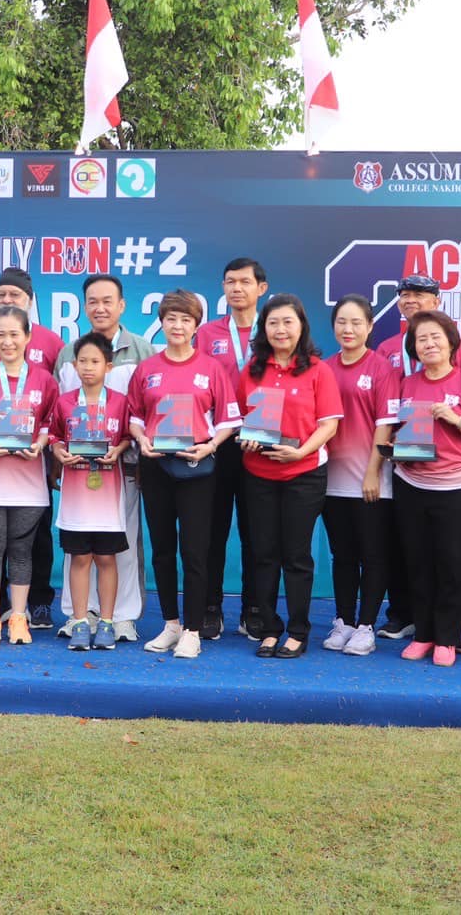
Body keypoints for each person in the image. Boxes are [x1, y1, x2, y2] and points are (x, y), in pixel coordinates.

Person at [128, 290, 243, 659]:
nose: (177, 326)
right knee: (162, 550)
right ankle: (171, 624)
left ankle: (193, 630)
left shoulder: (211, 368)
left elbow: (229, 420)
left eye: (185, 320)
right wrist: (141, 439)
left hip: (197, 467)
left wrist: (211, 446)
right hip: (156, 466)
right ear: (161, 323)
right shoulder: (147, 368)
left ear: (196, 326)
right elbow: (135, 417)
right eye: (171, 319)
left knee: (195, 551)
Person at [387, 310, 461, 666]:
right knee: (418, 562)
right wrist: (396, 446)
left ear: (451, 343)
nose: (429, 344)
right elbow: (395, 430)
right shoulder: (406, 384)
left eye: (436, 337)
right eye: (421, 339)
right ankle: (423, 634)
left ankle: (447, 638)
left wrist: (457, 419)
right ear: (414, 348)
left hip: (459, 488)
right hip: (411, 484)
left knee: (453, 564)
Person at [238, 294, 342, 659]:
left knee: (296, 556)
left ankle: (298, 631)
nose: (280, 329)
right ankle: (269, 628)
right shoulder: (252, 370)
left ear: (301, 327)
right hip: (258, 474)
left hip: (304, 473)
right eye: (273, 323)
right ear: (263, 328)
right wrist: (247, 438)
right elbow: (241, 418)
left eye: (288, 322)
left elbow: (328, 425)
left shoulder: (318, 370)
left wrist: (300, 452)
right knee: (264, 554)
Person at [54, 274, 155, 643]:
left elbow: (149, 411)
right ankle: (80, 615)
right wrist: (58, 459)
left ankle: (122, 617)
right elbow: (58, 415)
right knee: (78, 548)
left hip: (122, 467)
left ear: (122, 305)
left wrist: (137, 457)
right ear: (84, 306)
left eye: (107, 300)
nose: (100, 308)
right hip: (77, 471)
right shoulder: (69, 353)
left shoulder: (142, 351)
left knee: (121, 544)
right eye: (93, 301)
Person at [0, 267, 65, 628]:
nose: (8, 300)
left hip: (32, 461)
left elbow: (57, 409)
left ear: (30, 300)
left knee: (34, 538)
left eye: (15, 295)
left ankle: (36, 603)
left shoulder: (51, 343)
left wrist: (45, 448)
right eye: (1, 295)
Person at [320, 294, 401, 657]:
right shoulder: (324, 368)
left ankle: (367, 625)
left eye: (356, 322)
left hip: (371, 482)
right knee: (343, 555)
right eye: (342, 322)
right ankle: (344, 621)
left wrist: (372, 473)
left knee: (373, 555)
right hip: (330, 480)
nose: (348, 329)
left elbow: (385, 425)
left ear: (369, 326)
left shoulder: (381, 368)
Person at [196, 257, 268, 640]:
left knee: (256, 532)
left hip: (261, 441)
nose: (236, 288)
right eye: (230, 282)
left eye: (244, 281)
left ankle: (254, 608)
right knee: (213, 529)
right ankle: (210, 606)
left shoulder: (272, 329)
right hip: (218, 442)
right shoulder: (208, 333)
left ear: (261, 288)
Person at [51, 332, 132, 651]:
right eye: (82, 361)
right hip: (76, 499)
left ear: (108, 366)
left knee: (106, 558)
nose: (88, 367)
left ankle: (108, 622)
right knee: (80, 558)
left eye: (95, 361)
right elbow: (55, 436)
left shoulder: (120, 402)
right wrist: (59, 451)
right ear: (74, 365)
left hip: (108, 499)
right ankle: (81, 621)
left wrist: (119, 450)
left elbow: (127, 436)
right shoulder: (65, 402)